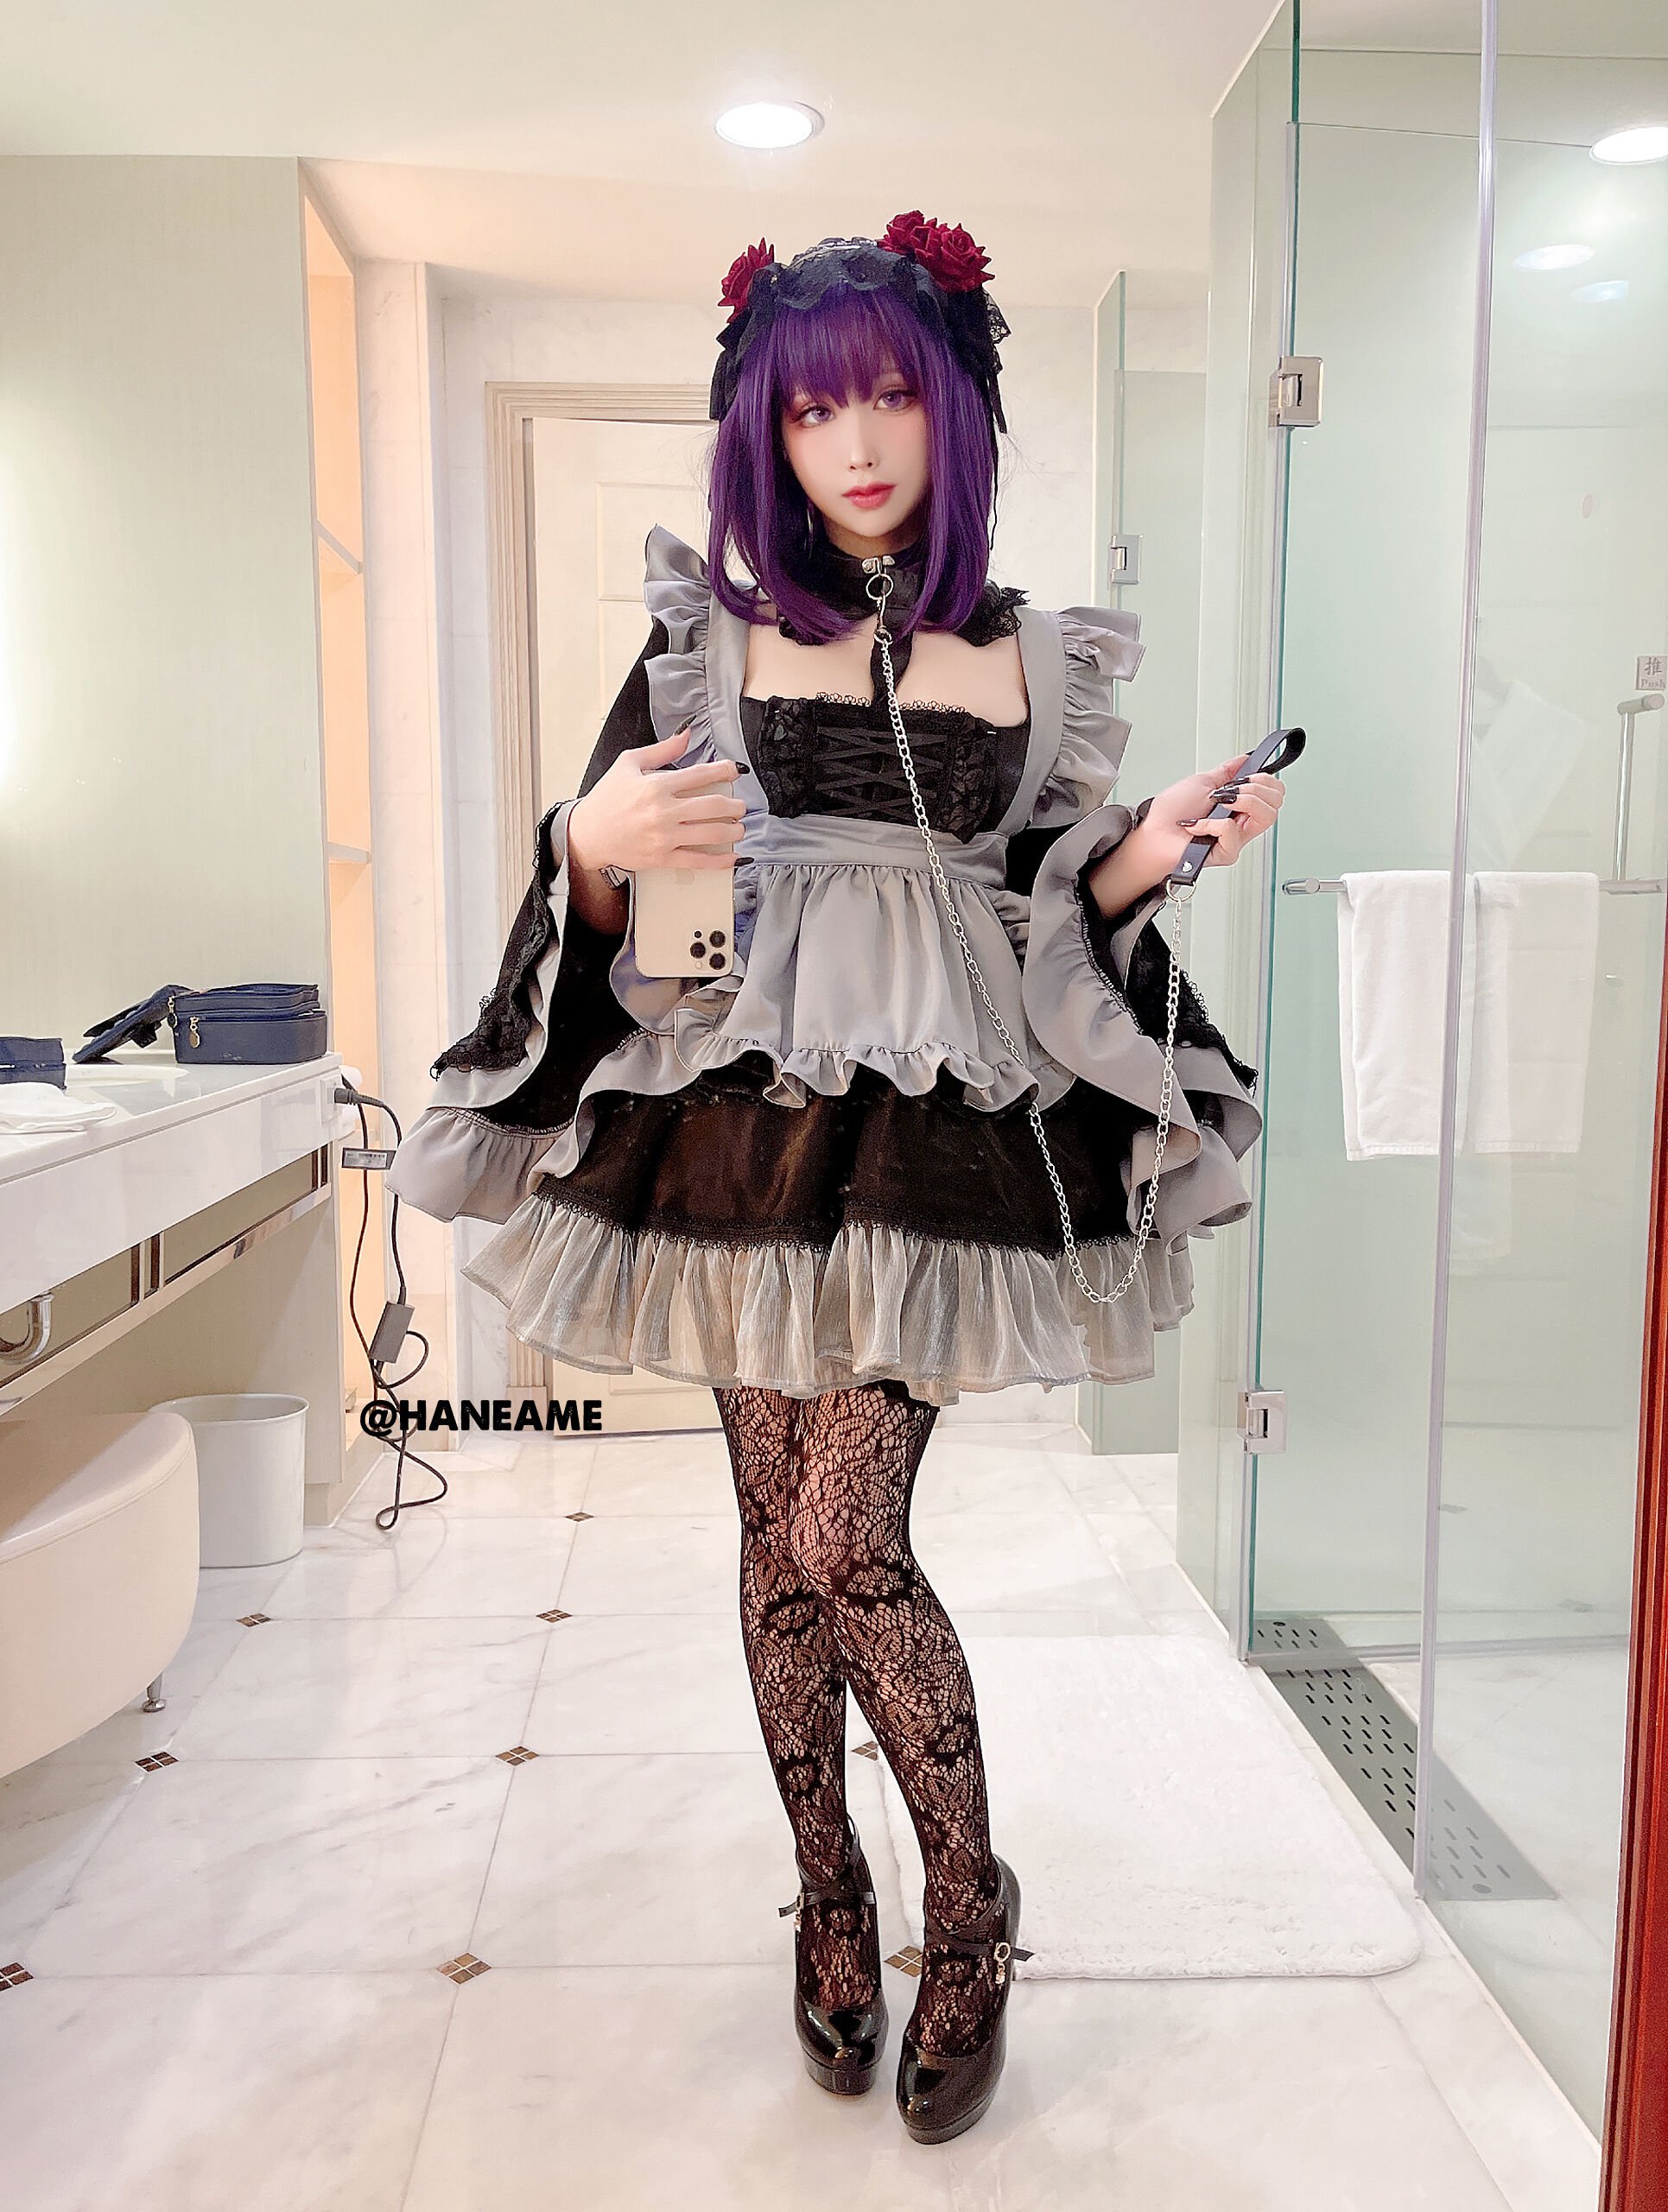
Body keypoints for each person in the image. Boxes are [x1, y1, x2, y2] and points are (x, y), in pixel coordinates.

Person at [388, 212, 1283, 2145]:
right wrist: (589, 839)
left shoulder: (1033, 657)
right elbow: (637, 913)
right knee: (771, 1540)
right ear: (764, 435)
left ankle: (969, 1906)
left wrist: (1156, 847)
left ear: (955, 405)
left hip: (940, 1127)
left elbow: (1046, 900)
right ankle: (833, 1892)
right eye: (812, 411)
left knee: (842, 1531)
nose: (858, 443)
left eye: (891, 396)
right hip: (738, 1122)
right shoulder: (706, 646)